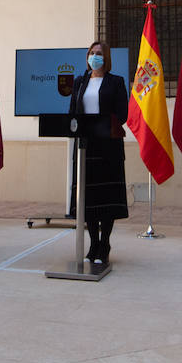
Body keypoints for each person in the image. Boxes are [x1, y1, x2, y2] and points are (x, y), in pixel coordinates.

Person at [68, 41, 129, 265]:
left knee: (107, 199)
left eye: (99, 54)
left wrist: (101, 125)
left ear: (106, 58)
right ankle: (93, 243)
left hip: (108, 146)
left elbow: (122, 114)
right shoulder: (80, 82)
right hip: (86, 147)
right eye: (92, 53)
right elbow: (72, 113)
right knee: (89, 199)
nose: (95, 57)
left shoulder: (116, 82)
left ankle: (105, 242)